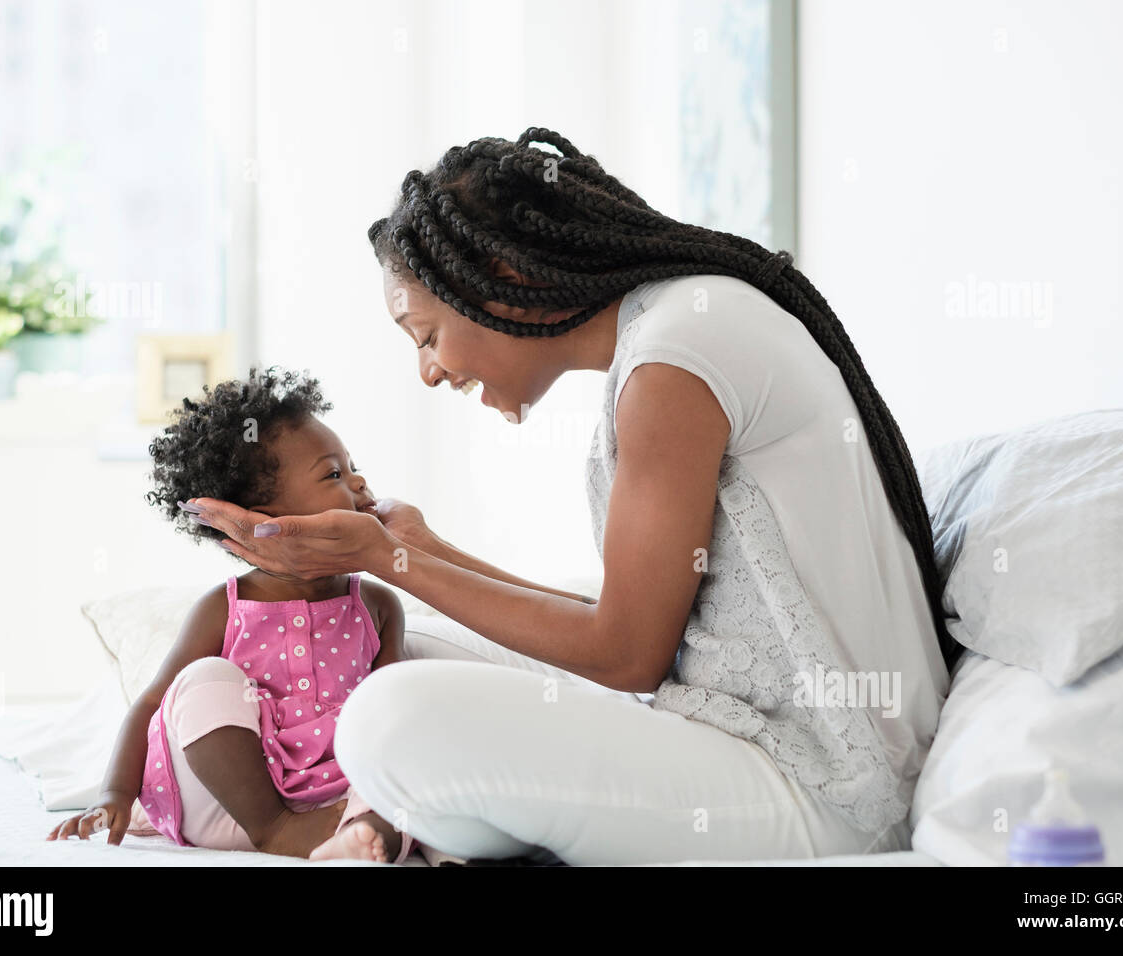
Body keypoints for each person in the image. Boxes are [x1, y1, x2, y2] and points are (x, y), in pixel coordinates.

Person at [188, 127, 961, 865]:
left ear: (506, 282)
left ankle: (443, 832)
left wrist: (388, 558)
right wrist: (426, 552)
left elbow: (629, 656)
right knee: (424, 648)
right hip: (749, 737)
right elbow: (625, 628)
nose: (428, 371)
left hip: (825, 791)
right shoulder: (674, 332)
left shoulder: (675, 359)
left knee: (384, 720)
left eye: (426, 336)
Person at [47, 368, 423, 863]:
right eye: (334, 474)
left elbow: (393, 713)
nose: (358, 480)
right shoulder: (222, 608)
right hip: (227, 806)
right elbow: (151, 705)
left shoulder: (376, 603)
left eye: (352, 466)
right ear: (262, 517)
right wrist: (114, 794)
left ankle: (364, 843)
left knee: (410, 751)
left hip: (336, 801)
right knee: (204, 679)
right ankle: (277, 829)